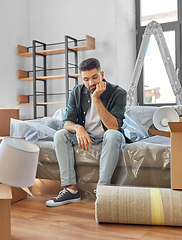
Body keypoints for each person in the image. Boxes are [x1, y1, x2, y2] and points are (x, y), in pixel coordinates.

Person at [46, 58, 131, 207]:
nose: (91, 84)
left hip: (109, 137)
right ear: (81, 78)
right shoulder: (77, 92)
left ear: (102, 74)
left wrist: (96, 98)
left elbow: (113, 126)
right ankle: (71, 190)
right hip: (88, 138)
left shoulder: (118, 93)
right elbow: (67, 122)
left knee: (112, 134)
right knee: (60, 135)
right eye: (86, 79)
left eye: (94, 77)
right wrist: (78, 128)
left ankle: (102, 190)